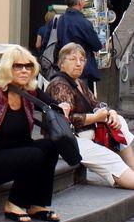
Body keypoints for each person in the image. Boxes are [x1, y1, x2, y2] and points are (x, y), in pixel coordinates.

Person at [0, 45, 66, 222]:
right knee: (33, 154)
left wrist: (64, 107)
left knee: (50, 145)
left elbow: (53, 106)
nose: (24, 70)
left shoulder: (29, 91)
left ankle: (37, 204)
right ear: (7, 68)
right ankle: (14, 203)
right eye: (18, 66)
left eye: (28, 66)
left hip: (16, 156)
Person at [47, 43, 134, 189]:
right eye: (73, 59)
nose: (78, 63)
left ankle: (131, 166)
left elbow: (97, 104)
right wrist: (96, 118)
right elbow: (64, 120)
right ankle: (129, 178)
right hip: (69, 140)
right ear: (61, 63)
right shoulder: (59, 85)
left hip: (86, 134)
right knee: (110, 159)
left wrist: (111, 112)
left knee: (118, 120)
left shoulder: (79, 82)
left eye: (82, 59)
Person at [56, 0, 102, 84]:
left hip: (64, 67)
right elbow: (97, 45)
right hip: (80, 70)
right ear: (80, 2)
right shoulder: (84, 23)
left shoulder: (61, 19)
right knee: (81, 97)